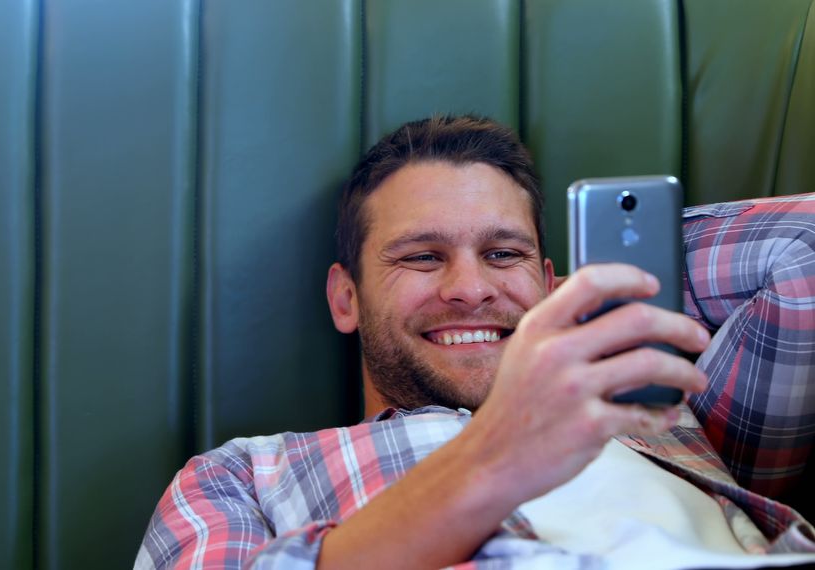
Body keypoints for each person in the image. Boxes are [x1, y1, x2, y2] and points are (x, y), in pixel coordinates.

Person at [135, 115, 815, 569]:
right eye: (423, 258)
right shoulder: (238, 476)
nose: (470, 289)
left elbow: (803, 254)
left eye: (502, 254)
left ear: (550, 283)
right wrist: (497, 456)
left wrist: (595, 286)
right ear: (346, 298)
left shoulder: (659, 415)